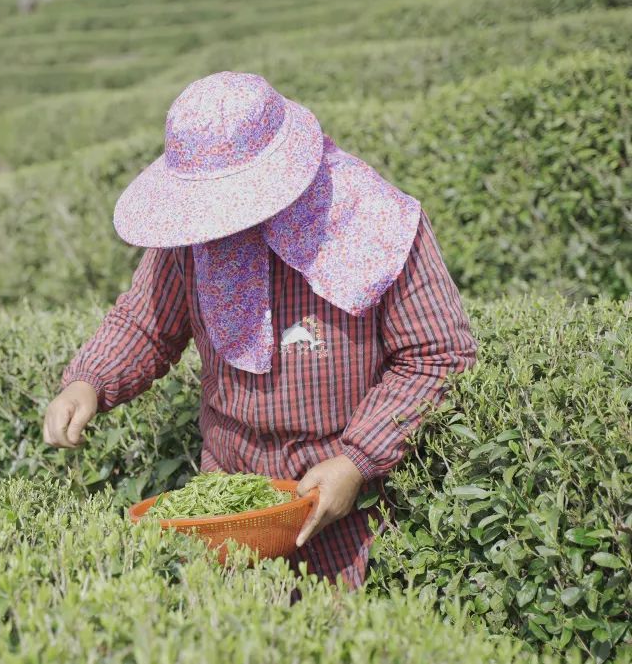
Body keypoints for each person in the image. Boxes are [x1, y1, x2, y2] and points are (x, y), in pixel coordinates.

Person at [43, 72, 478, 590]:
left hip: (346, 499)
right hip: (232, 493)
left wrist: (356, 461)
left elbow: (438, 355)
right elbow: (146, 322)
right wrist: (88, 381)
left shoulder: (375, 220)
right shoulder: (195, 231)